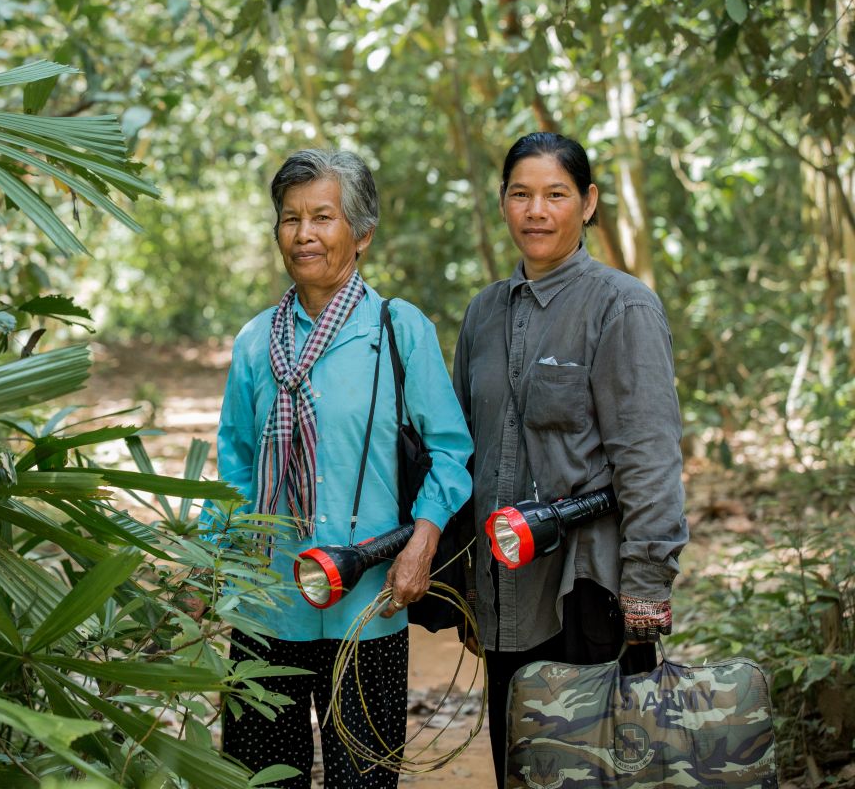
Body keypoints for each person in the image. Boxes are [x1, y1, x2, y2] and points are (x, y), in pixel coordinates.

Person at [209, 149, 473, 788]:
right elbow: (233, 469)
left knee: (365, 779)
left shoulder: (397, 330)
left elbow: (450, 452)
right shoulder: (255, 342)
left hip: (370, 603)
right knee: (263, 778)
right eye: (290, 218)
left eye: (322, 217)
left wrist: (422, 543)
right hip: (269, 604)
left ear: (362, 233)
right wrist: (212, 568)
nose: (304, 234)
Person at [451, 132, 689, 787]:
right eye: (521, 194)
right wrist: (470, 591)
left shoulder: (622, 305)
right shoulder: (482, 314)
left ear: (586, 204)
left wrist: (647, 581)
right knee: (518, 771)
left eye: (555, 194)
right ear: (502, 204)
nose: (536, 211)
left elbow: (648, 454)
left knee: (593, 772)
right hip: (504, 595)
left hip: (588, 592)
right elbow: (465, 453)